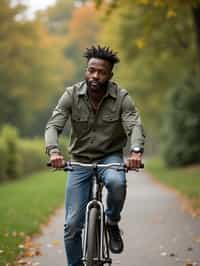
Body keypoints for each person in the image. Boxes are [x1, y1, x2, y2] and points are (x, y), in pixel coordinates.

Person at [45, 45, 145, 266]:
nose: (95, 76)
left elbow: (134, 124)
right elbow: (53, 125)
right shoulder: (71, 95)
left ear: (110, 74)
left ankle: (111, 220)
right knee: (72, 225)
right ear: (86, 70)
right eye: (91, 70)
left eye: (101, 72)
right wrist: (53, 151)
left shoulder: (121, 97)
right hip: (80, 160)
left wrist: (136, 151)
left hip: (110, 157)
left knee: (117, 183)